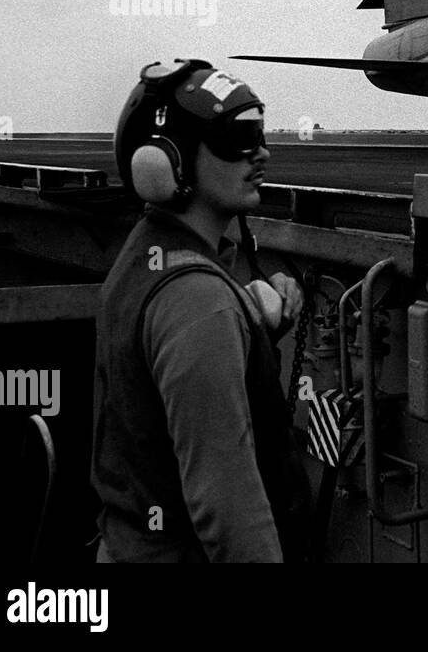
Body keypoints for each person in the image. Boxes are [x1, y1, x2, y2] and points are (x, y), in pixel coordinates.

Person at [92, 59, 310, 562]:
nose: (261, 153)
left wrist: (253, 322)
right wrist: (225, 316)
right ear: (168, 162)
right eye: (237, 139)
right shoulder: (200, 303)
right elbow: (230, 510)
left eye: (259, 133)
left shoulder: (146, 256)